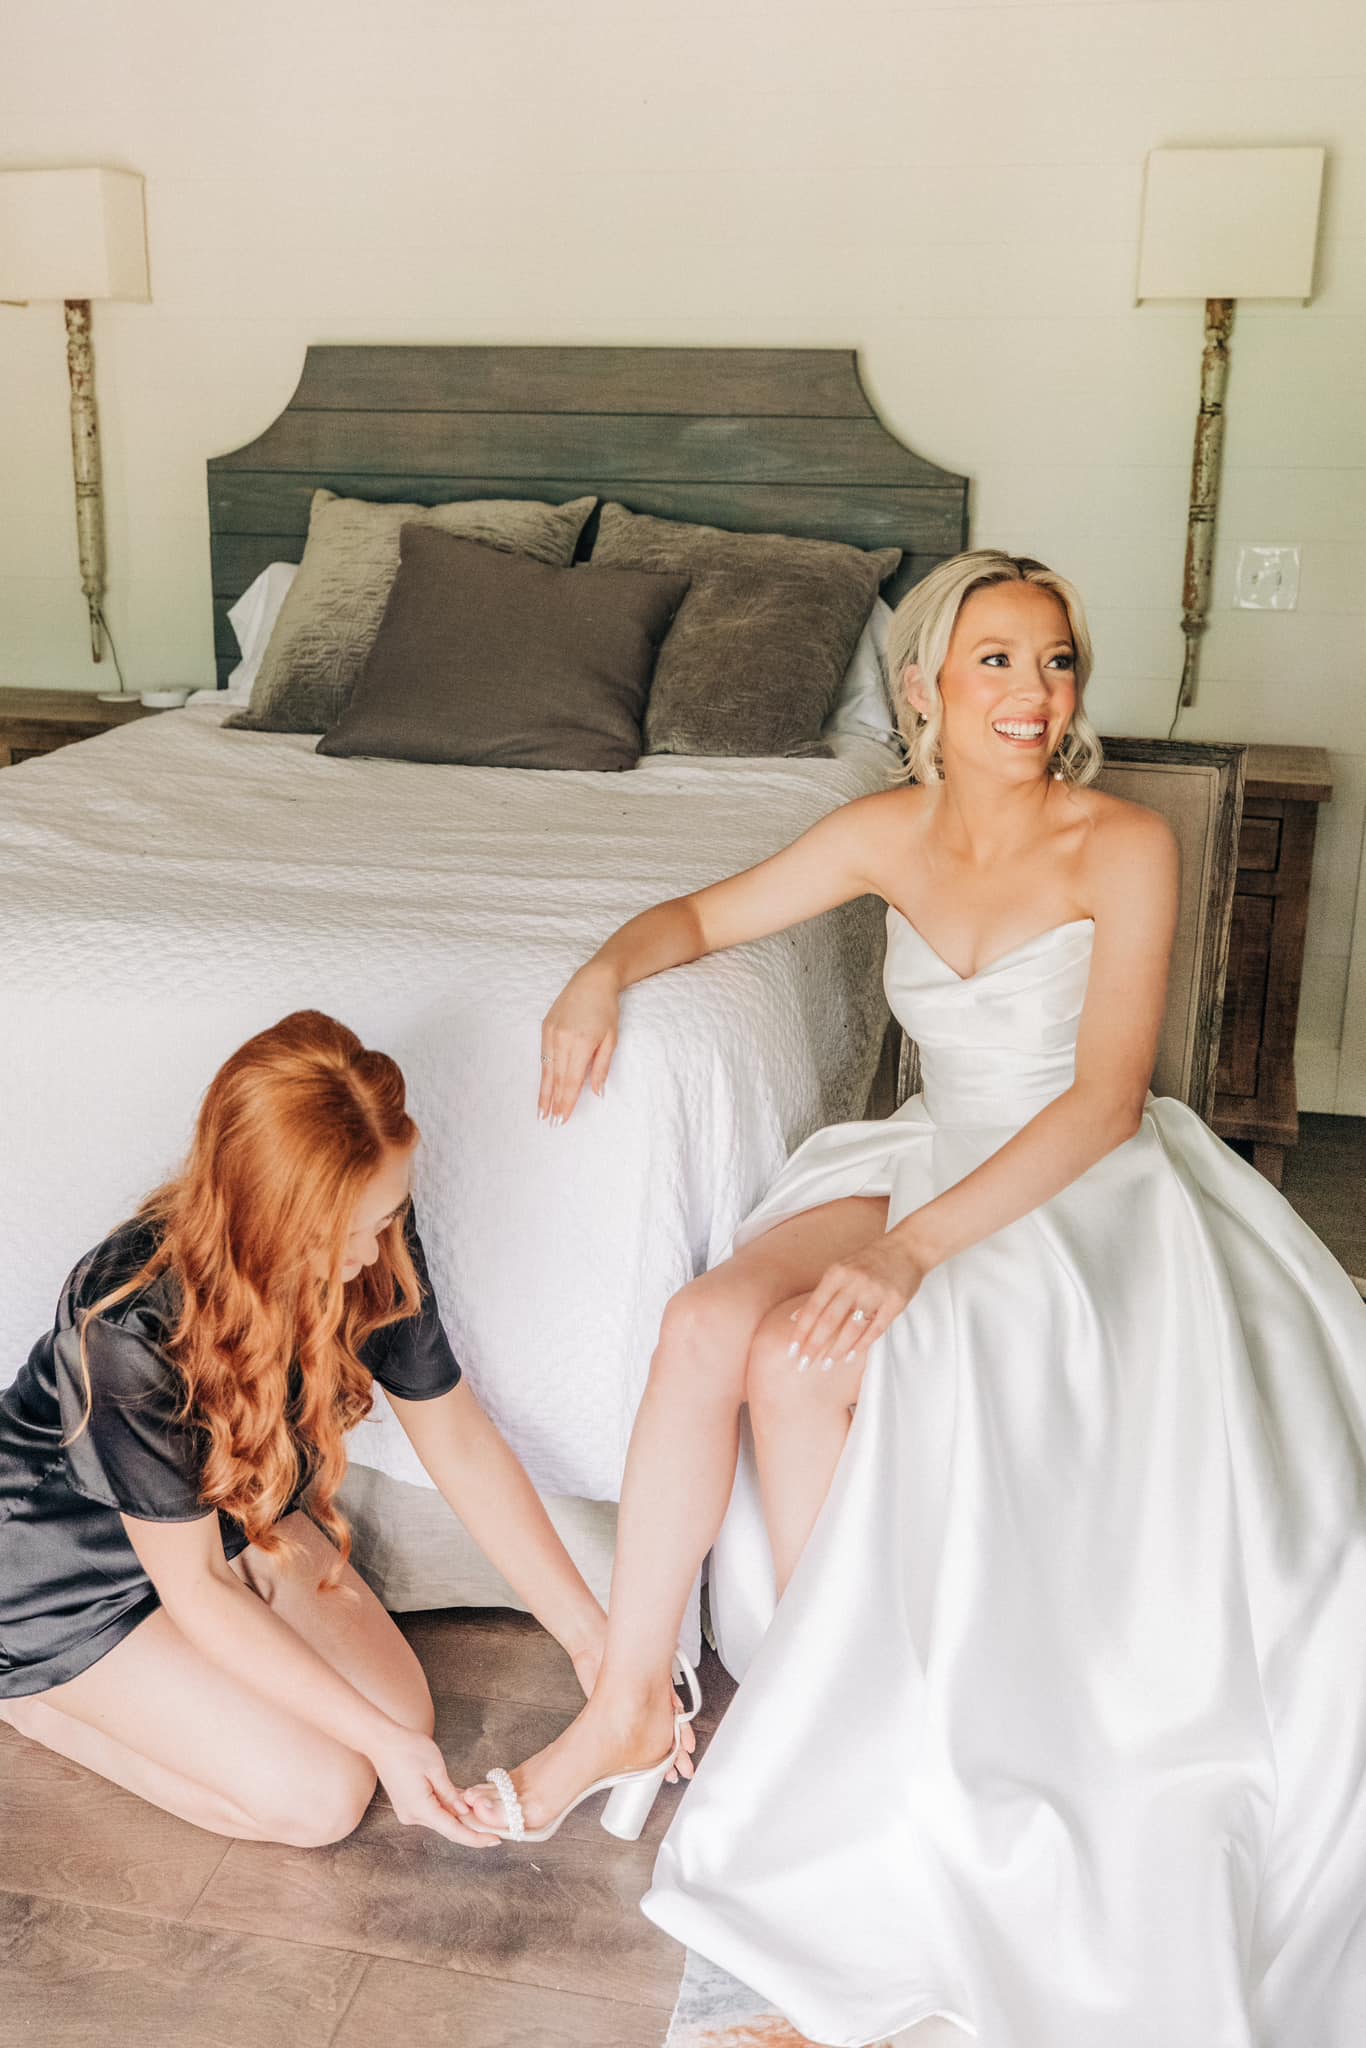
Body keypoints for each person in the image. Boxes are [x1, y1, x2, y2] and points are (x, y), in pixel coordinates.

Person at [468, 551, 1366, 2046]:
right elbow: (692, 920)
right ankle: (630, 1695)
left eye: (1057, 661)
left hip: (1071, 1174)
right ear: (925, 689)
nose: (1035, 694)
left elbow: (1099, 1104)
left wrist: (907, 1255)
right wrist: (597, 974)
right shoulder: (881, 829)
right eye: (999, 663)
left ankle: (856, 1724)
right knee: (706, 1325)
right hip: (915, 1144)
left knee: (805, 1366)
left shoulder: (1119, 843)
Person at [0, 1008, 654, 1849]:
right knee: (326, 1795)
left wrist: (589, 1639)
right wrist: (383, 1746)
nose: (378, 1255)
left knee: (402, 1709)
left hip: (227, 1515)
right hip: (64, 1573)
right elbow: (193, 1584)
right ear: (271, 1222)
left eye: (387, 1220)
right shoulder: (125, 1333)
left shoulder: (366, 1225)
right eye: (352, 1235)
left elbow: (452, 1430)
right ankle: (28, 1698)